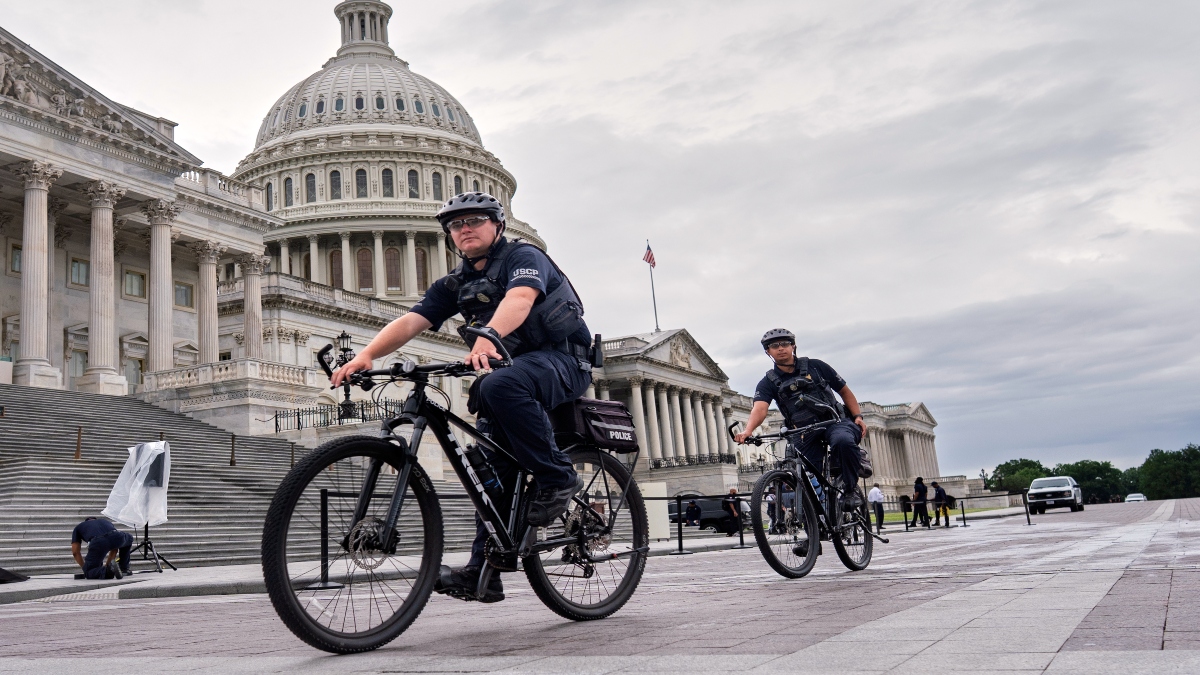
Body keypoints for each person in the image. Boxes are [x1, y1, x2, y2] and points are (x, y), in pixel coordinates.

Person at [331, 192, 594, 603]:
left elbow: (520, 298)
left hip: (561, 361)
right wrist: (366, 355)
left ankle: (558, 476)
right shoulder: (455, 284)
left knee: (497, 386)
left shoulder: (525, 257)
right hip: (505, 369)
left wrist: (489, 335)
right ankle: (483, 573)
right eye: (455, 225)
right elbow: (411, 320)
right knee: (486, 472)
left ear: (498, 225)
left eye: (474, 220)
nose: (464, 229)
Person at [733, 329, 869, 509]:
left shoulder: (816, 366)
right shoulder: (767, 383)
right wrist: (748, 430)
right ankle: (813, 521)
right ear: (768, 352)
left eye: (785, 344)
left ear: (793, 346)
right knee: (804, 475)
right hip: (803, 431)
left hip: (834, 422)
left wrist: (857, 416)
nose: (780, 348)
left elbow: (844, 391)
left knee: (843, 441)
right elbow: (759, 409)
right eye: (774, 346)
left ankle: (850, 489)